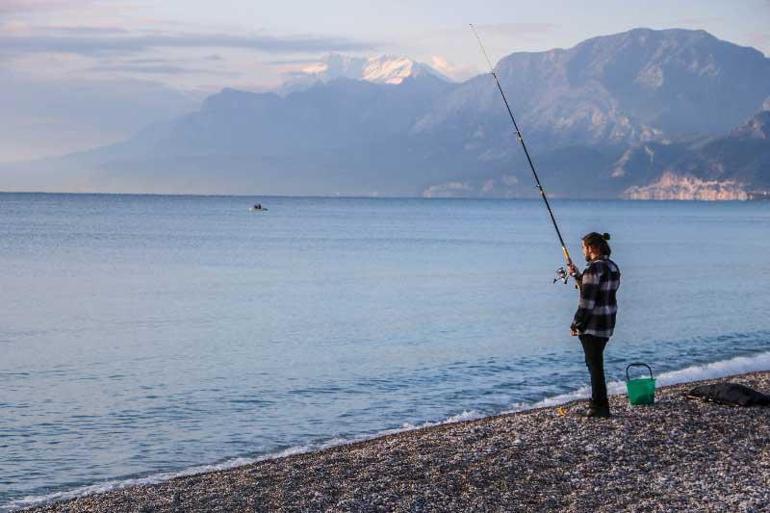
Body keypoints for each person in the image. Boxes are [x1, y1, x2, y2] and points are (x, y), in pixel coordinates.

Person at [567, 232, 621, 418]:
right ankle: (600, 404)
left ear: (592, 248)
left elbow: (587, 302)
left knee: (594, 366)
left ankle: (600, 406)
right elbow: (595, 290)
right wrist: (577, 276)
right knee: (596, 363)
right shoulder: (612, 267)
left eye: (583, 247)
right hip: (607, 324)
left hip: (592, 326)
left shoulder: (593, 270)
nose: (583, 251)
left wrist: (576, 324)